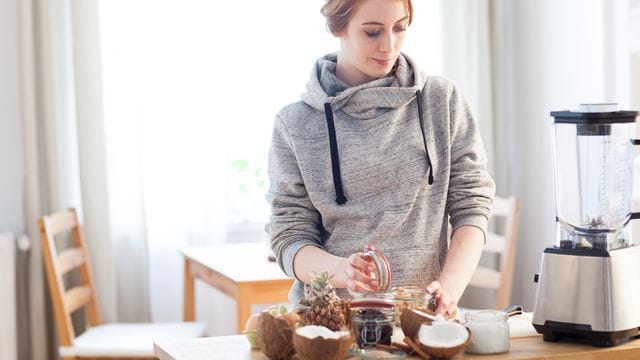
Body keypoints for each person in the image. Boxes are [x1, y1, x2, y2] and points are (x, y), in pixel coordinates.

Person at [266, 0, 495, 319]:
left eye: (400, 28)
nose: (389, 45)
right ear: (337, 27)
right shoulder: (295, 124)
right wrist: (343, 272)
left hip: (424, 320)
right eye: (372, 32)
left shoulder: (441, 101)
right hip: (330, 325)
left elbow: (472, 203)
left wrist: (450, 286)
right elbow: (289, 237)